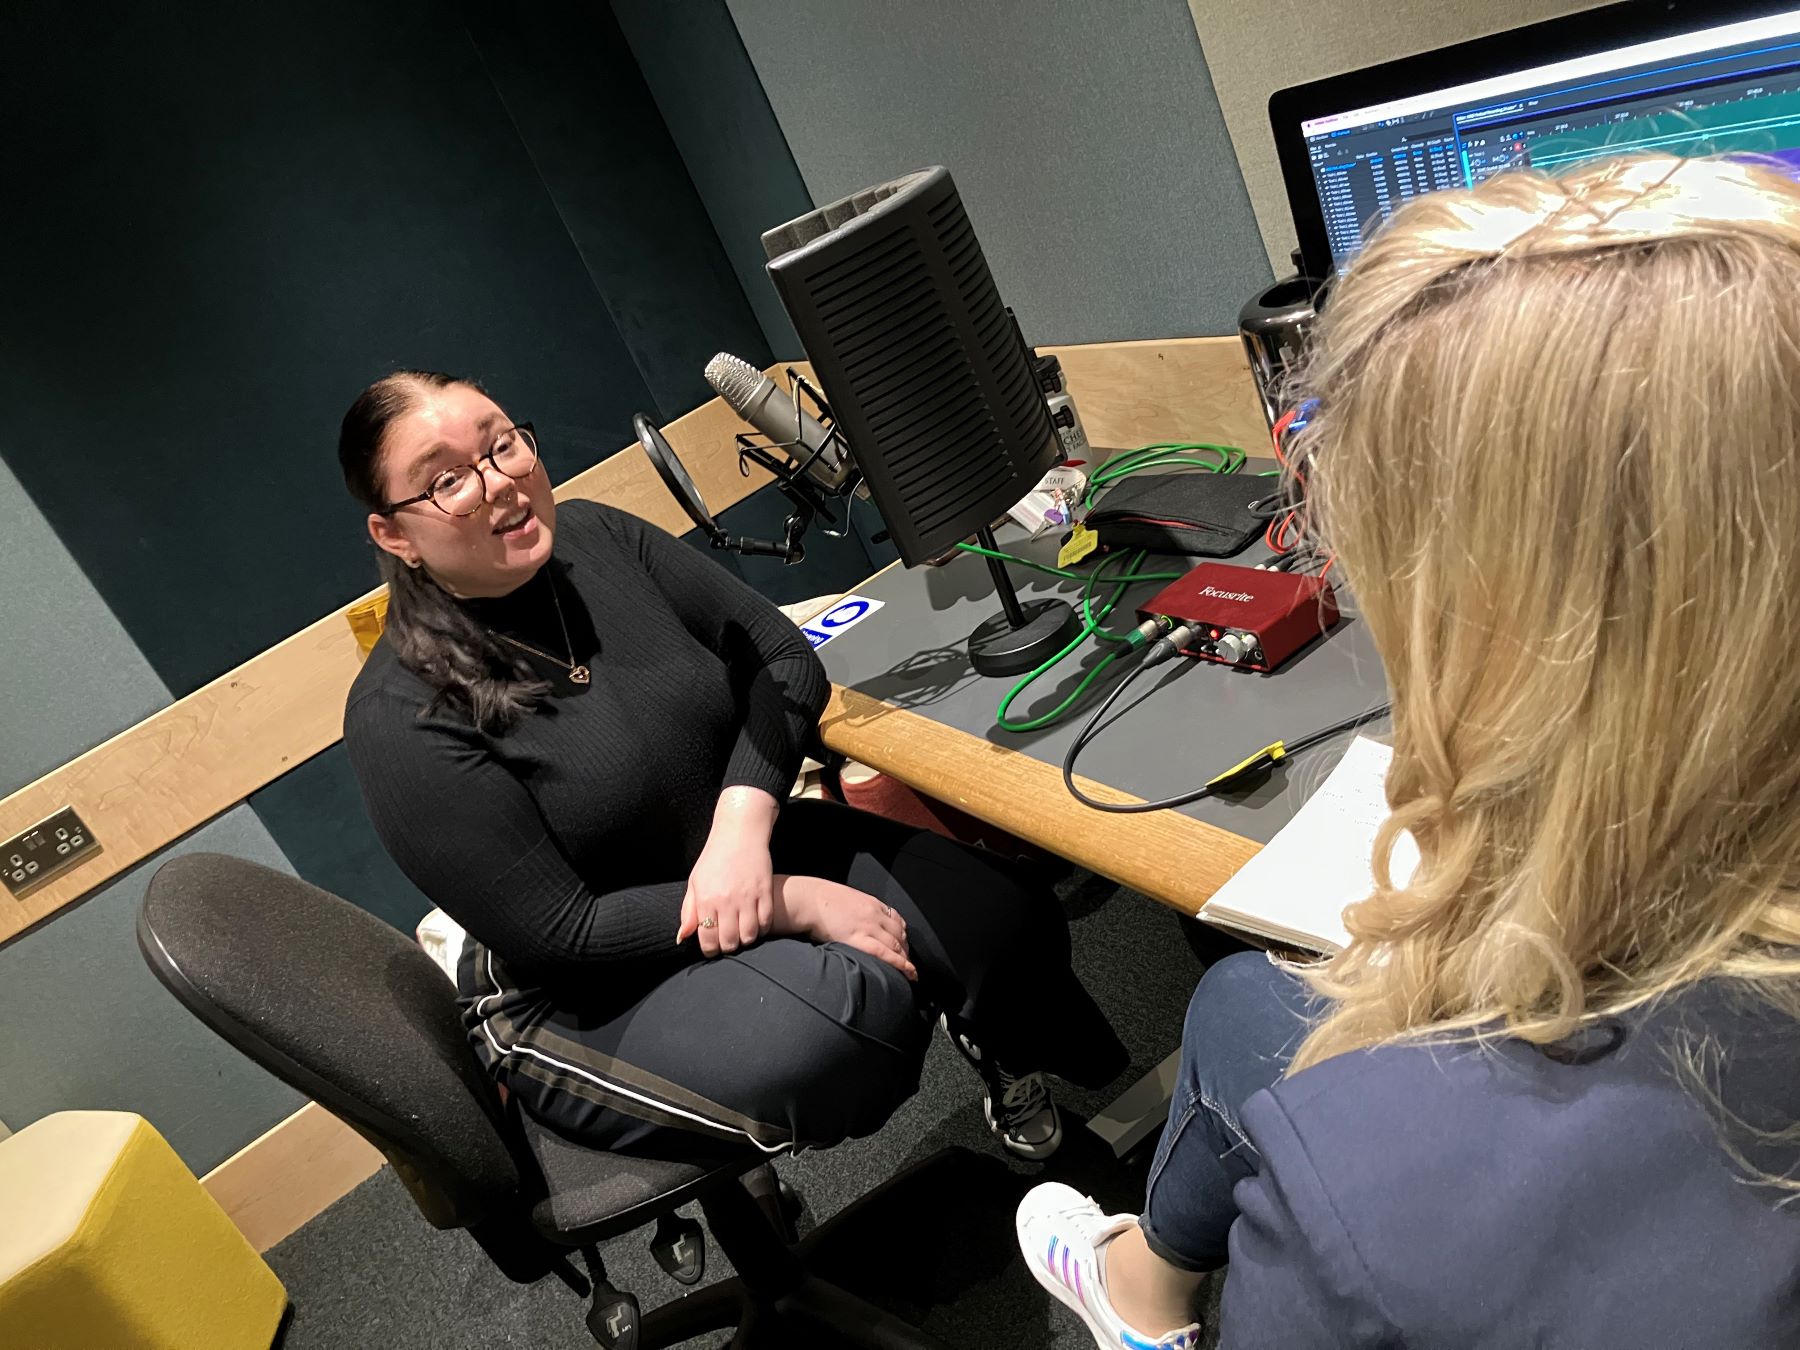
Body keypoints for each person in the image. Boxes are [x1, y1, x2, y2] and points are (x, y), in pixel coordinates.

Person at [1019, 154, 1800, 1349]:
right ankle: (1144, 1285)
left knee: (1252, 1017)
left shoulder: (1376, 1220)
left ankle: (1138, 1305)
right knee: (1236, 1001)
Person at [337, 371, 1126, 1163]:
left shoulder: (597, 537)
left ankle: (1010, 1059)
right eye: (447, 481)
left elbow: (782, 657)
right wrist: (791, 902)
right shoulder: (398, 716)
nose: (501, 482)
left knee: (1002, 919)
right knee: (853, 1019)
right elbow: (561, 935)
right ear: (395, 535)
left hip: (733, 850)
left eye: (502, 443)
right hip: (587, 980)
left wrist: (744, 825)